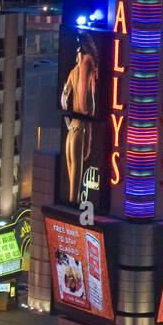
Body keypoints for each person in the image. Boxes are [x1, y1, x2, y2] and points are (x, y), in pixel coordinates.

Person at [59, 35, 99, 203]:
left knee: (71, 181)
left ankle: (71, 213)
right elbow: (90, 104)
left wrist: (68, 121)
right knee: (75, 183)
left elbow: (63, 98)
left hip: (71, 131)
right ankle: (73, 214)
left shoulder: (72, 72)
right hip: (80, 129)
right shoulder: (88, 65)